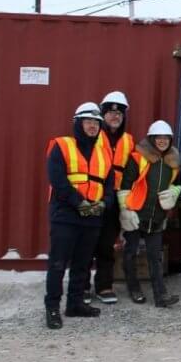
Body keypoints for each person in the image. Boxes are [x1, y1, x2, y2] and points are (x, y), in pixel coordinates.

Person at [44, 103, 115, 329]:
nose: (93, 126)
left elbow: (110, 185)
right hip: (65, 214)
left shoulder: (104, 154)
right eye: (88, 122)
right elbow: (57, 180)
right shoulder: (62, 146)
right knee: (58, 263)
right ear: (78, 123)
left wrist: (104, 204)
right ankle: (52, 307)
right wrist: (79, 202)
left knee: (83, 264)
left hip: (92, 216)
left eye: (96, 123)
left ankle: (74, 304)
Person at [117, 120, 181, 308]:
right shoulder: (137, 158)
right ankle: (134, 288)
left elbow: (179, 183)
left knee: (155, 257)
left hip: (158, 216)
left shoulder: (173, 161)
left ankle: (160, 296)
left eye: (166, 138)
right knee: (131, 253)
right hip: (136, 214)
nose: (162, 141)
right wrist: (125, 210)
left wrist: (174, 193)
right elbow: (125, 185)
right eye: (159, 138)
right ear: (152, 139)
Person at [90, 91, 134, 304]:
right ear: (103, 114)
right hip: (94, 195)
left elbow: (135, 170)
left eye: (119, 113)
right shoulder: (93, 134)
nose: (115, 117)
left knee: (108, 243)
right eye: (110, 112)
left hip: (116, 198)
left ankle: (104, 286)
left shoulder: (129, 140)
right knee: (86, 242)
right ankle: (80, 287)